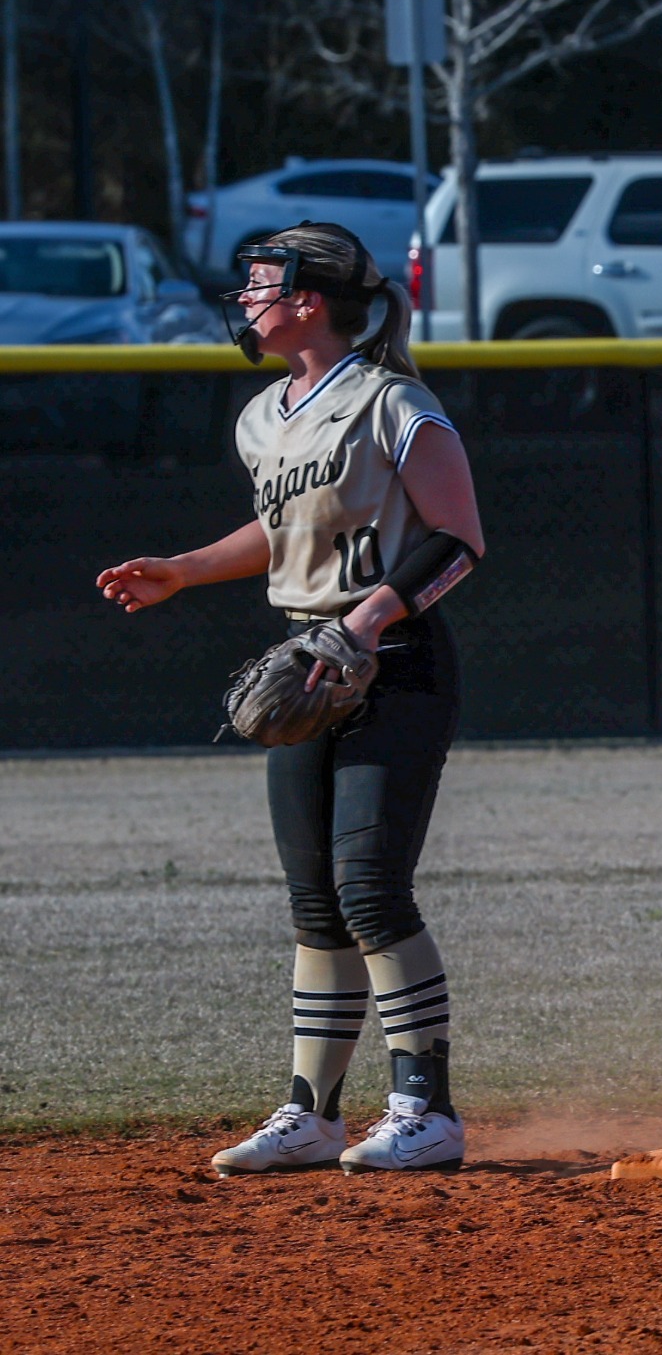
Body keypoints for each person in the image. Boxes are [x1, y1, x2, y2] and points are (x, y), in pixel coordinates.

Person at [96, 223, 485, 1176]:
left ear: (310, 298)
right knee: (315, 902)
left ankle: (426, 1108)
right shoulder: (265, 414)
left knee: (369, 888)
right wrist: (182, 571)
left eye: (262, 283)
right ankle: (313, 1113)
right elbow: (284, 532)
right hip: (308, 654)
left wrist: (366, 624)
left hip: (394, 662)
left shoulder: (394, 401)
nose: (248, 299)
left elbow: (459, 538)